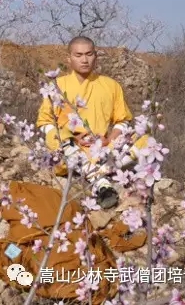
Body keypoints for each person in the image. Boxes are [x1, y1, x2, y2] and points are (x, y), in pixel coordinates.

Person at [36, 36, 136, 209]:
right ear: (69, 58)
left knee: (145, 139)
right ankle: (101, 181)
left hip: (102, 148)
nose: (84, 59)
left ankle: (96, 171)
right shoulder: (57, 85)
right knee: (54, 136)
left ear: (95, 56)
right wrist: (73, 139)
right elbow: (45, 122)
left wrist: (109, 139)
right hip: (70, 149)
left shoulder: (111, 85)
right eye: (78, 55)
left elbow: (124, 120)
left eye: (89, 54)